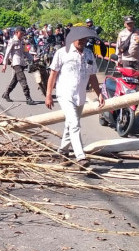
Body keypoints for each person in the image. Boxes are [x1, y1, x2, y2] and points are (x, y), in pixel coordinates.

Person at [45, 26, 105, 166]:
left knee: (70, 124)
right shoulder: (62, 52)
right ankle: (80, 156)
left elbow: (92, 77)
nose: (82, 41)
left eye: (85, 39)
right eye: (80, 39)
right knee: (75, 124)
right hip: (65, 94)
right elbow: (53, 74)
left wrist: (100, 93)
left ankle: (63, 150)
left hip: (80, 95)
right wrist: (48, 94)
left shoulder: (89, 54)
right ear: (72, 39)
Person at [1, 26, 34, 105]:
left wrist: (32, 59)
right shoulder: (12, 41)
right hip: (16, 63)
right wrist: (4, 64)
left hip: (22, 63)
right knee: (23, 79)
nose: (22, 35)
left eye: (23, 33)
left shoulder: (22, 41)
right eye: (21, 33)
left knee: (15, 80)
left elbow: (26, 52)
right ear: (16, 33)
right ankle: (28, 98)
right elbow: (7, 53)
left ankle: (6, 94)